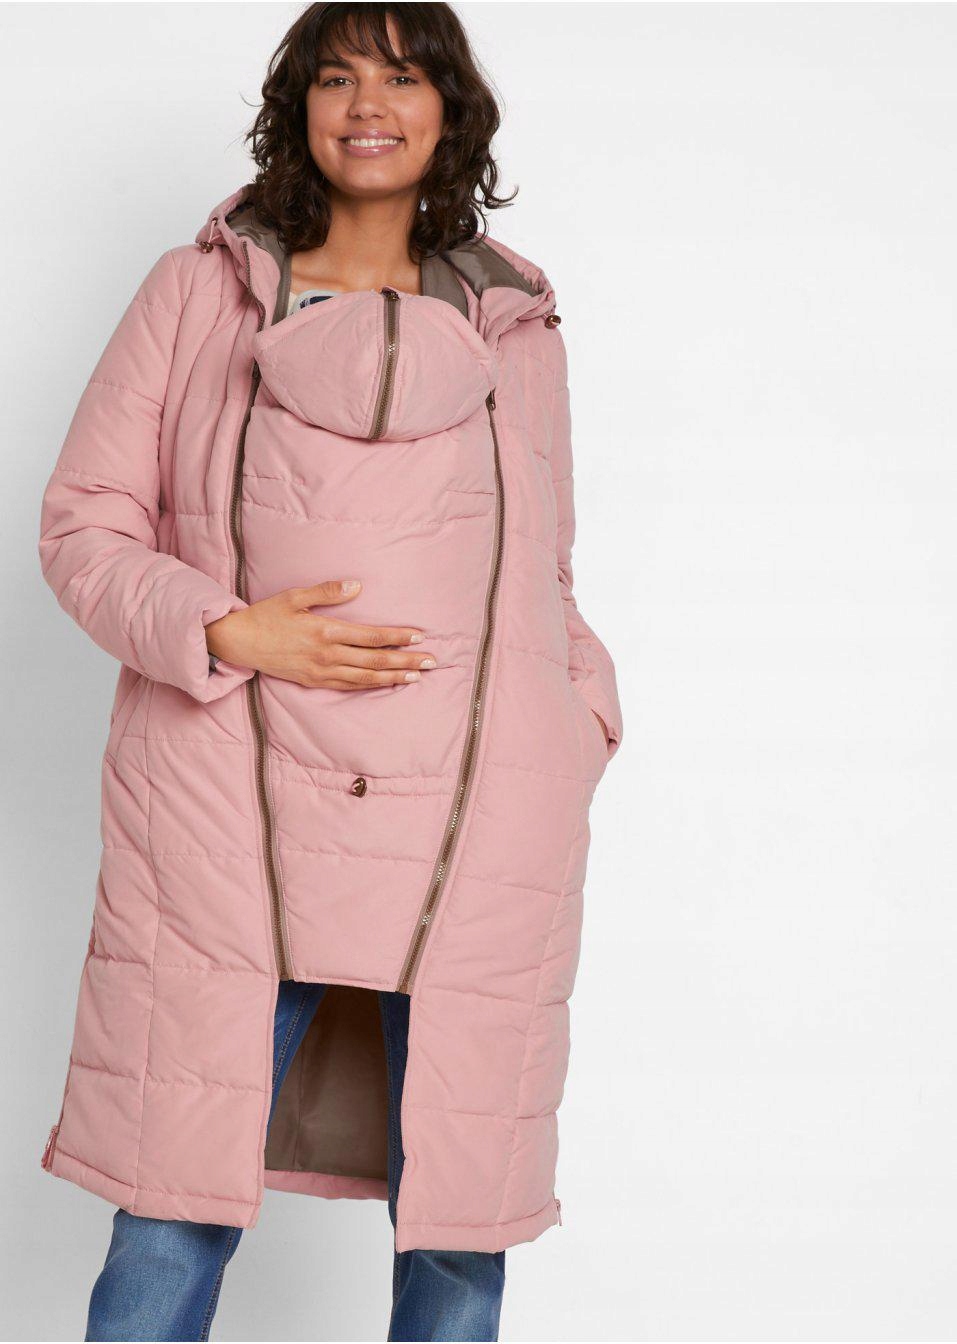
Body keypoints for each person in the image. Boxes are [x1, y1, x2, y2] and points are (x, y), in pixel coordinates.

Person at [37, 3, 623, 1340]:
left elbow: (546, 567)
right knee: (173, 1208)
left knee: (458, 1228)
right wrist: (224, 630)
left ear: (449, 110)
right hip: (227, 815)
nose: (369, 104)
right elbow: (83, 528)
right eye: (338, 77)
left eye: (402, 76)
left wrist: (578, 714)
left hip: (479, 822)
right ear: (296, 107)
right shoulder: (201, 292)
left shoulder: (515, 326)